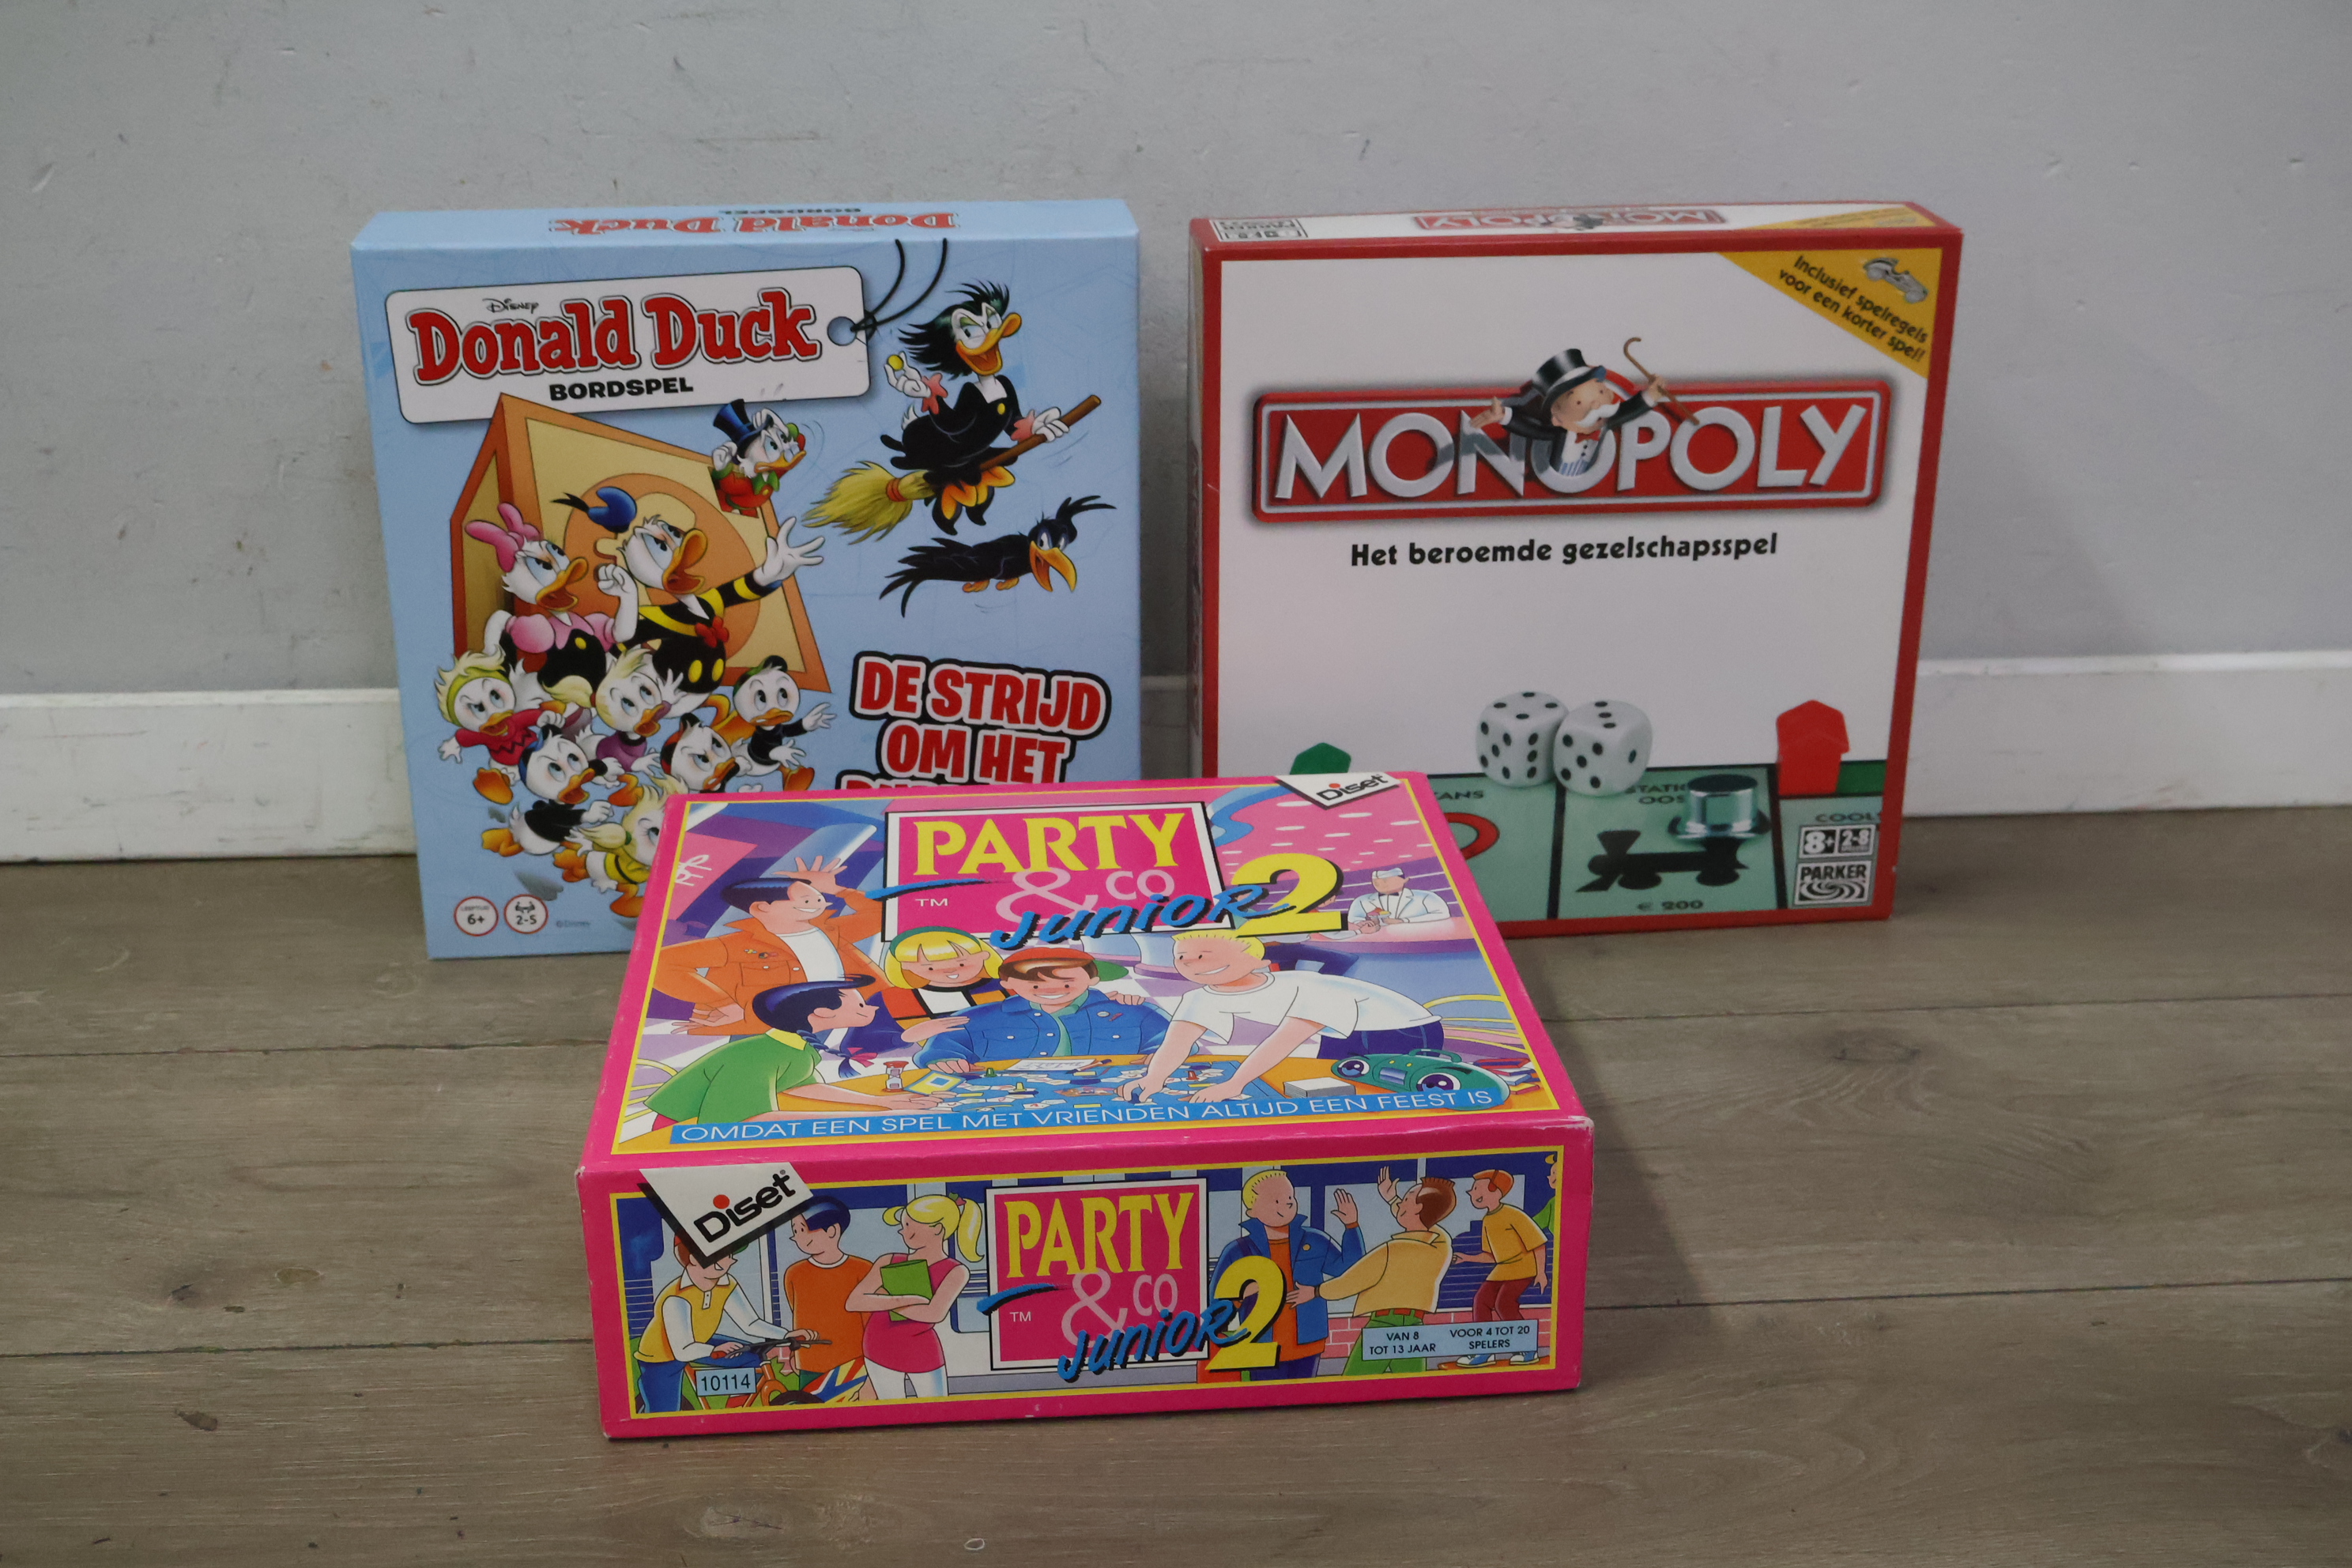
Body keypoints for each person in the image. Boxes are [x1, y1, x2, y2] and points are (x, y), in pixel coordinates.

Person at [1120, 933, 1443, 1103]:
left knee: (1383, 1091)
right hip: (1342, 1031)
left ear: (1255, 958)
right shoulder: (1198, 996)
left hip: (1404, 1030)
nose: (1191, 964)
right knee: (1330, 1084)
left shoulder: (1309, 986)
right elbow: (1178, 1041)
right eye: (1182, 957)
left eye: (1203, 956)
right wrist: (1154, 1078)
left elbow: (1283, 1042)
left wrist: (1234, 1084)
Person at [645, 980, 946, 1125]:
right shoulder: (756, 1055)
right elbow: (751, 1118)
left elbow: (804, 1086)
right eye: (860, 1005)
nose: (872, 1009)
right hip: (676, 1134)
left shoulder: (799, 1047)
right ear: (823, 1012)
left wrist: (882, 1103)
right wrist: (871, 1116)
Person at [653, 856, 880, 1032]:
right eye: (807, 900)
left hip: (848, 1023)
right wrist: (723, 1003)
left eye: (819, 897)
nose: (818, 903)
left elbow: (881, 915)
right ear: (762, 908)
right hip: (767, 1031)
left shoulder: (833, 930)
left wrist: (839, 890)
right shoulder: (736, 945)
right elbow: (661, 964)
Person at [1204, 1170, 1364, 1381]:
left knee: (1304, 1398)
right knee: (1265, 1399)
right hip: (1261, 1346)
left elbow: (1352, 1270)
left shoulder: (1315, 1240)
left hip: (1308, 1344)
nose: (1287, 1203)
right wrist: (1243, 1294)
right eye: (1276, 1200)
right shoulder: (1238, 1251)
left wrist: (1351, 1226)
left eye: (1290, 1197)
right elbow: (1216, 1307)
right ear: (1252, 1211)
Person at [913, 947, 1169, 1069]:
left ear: (1093, 979)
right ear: (1008, 983)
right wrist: (943, 1059)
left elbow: (1171, 1039)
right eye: (1035, 984)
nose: (1051, 989)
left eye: (1066, 982)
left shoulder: (1134, 1011)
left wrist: (1162, 1055)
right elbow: (941, 1047)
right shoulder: (976, 1018)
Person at [1314, 1170, 1459, 1376]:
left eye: (1407, 1199)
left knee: (1353, 1384)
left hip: (1382, 1327)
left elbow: (1349, 1283)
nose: (1401, 1204)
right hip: (1414, 1327)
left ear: (1418, 1208)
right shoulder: (1441, 1246)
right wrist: (1394, 1200)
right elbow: (1427, 1222)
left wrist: (1315, 1291)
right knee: (1415, 1387)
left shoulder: (1392, 1250)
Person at [845, 1193, 983, 1400]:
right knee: (891, 1411)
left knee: (938, 1409)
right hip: (878, 1347)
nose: (902, 1231)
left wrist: (883, 1298)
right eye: (903, 1225)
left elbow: (933, 1313)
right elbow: (854, 1302)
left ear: (937, 1229)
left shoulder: (956, 1270)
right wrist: (905, 1300)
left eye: (910, 1225)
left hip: (923, 1352)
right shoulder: (888, 1261)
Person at [635, 1234, 791, 1413]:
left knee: (752, 1357)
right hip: (662, 1357)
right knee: (664, 1414)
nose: (729, 1260)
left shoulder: (726, 1283)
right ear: (694, 1258)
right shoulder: (676, 1298)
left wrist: (785, 1335)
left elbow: (750, 1323)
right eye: (718, 1254)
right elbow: (683, 1349)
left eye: (729, 1254)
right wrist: (713, 1350)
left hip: (700, 1341)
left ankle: (736, 1409)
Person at [1469, 347, 1668, 479]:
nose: (1596, 405)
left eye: (1600, 392)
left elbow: (1626, 410)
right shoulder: (1560, 435)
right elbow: (1535, 430)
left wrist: (1650, 395)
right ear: (1557, 418)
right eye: (1579, 403)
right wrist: (1505, 416)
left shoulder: (1604, 424)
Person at [1449, 1169, 1549, 1368]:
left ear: (1495, 1191)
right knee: (1481, 1300)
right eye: (1472, 1190)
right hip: (1503, 1269)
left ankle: (1528, 1350)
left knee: (1504, 1303)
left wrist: (1541, 1272)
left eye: (1477, 1189)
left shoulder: (1514, 1214)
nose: (1472, 1193)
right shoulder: (1488, 1220)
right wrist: (1466, 1258)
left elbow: (1538, 1243)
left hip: (1524, 1267)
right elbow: (1491, 1256)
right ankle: (1484, 1351)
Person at [778, 1197, 872, 1394]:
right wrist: (794, 1354)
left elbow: (870, 1321)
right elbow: (798, 1316)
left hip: (855, 1362)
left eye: (803, 1229)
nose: (798, 1237)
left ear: (832, 1231)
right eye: (795, 1231)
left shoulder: (862, 1269)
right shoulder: (794, 1273)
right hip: (810, 1362)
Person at [877, 927, 1011, 1045]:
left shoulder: (1009, 985)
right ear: (906, 966)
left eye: (962, 963)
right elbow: (869, 1039)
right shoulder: (893, 997)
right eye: (930, 968)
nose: (949, 970)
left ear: (984, 956)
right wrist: (905, 1037)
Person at [1345, 868, 1449, 936]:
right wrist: (1363, 924)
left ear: (1405, 880)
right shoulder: (1362, 900)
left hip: (1419, 936)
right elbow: (1354, 919)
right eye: (1376, 883)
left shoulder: (1426, 896)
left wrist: (1403, 921)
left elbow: (1442, 913)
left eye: (1386, 881)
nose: (1381, 885)